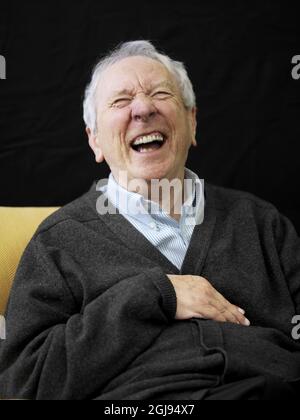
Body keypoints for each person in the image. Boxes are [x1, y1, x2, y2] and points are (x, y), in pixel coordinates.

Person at [0, 41, 299, 400]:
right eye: (121, 101)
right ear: (94, 140)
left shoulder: (262, 222)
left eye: (160, 93)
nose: (142, 109)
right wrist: (155, 296)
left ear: (192, 121)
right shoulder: (57, 243)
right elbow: (26, 385)